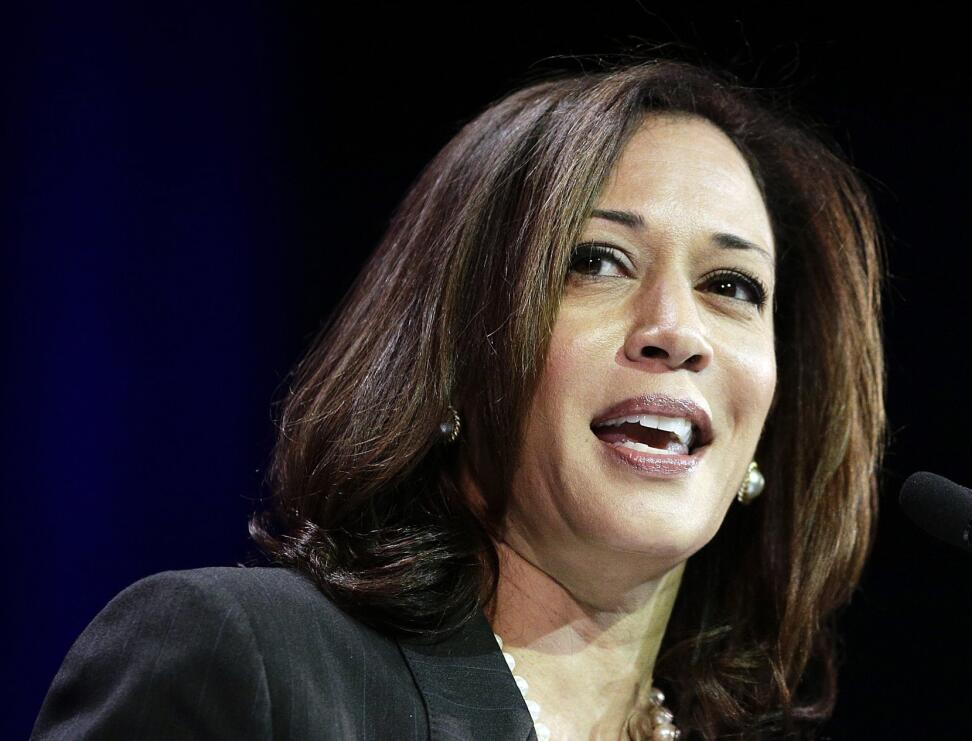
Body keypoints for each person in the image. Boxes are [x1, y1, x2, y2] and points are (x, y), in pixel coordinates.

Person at [31, 57, 885, 740]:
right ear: (453, 348)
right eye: (595, 261)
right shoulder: (243, 666)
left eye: (732, 284)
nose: (676, 329)